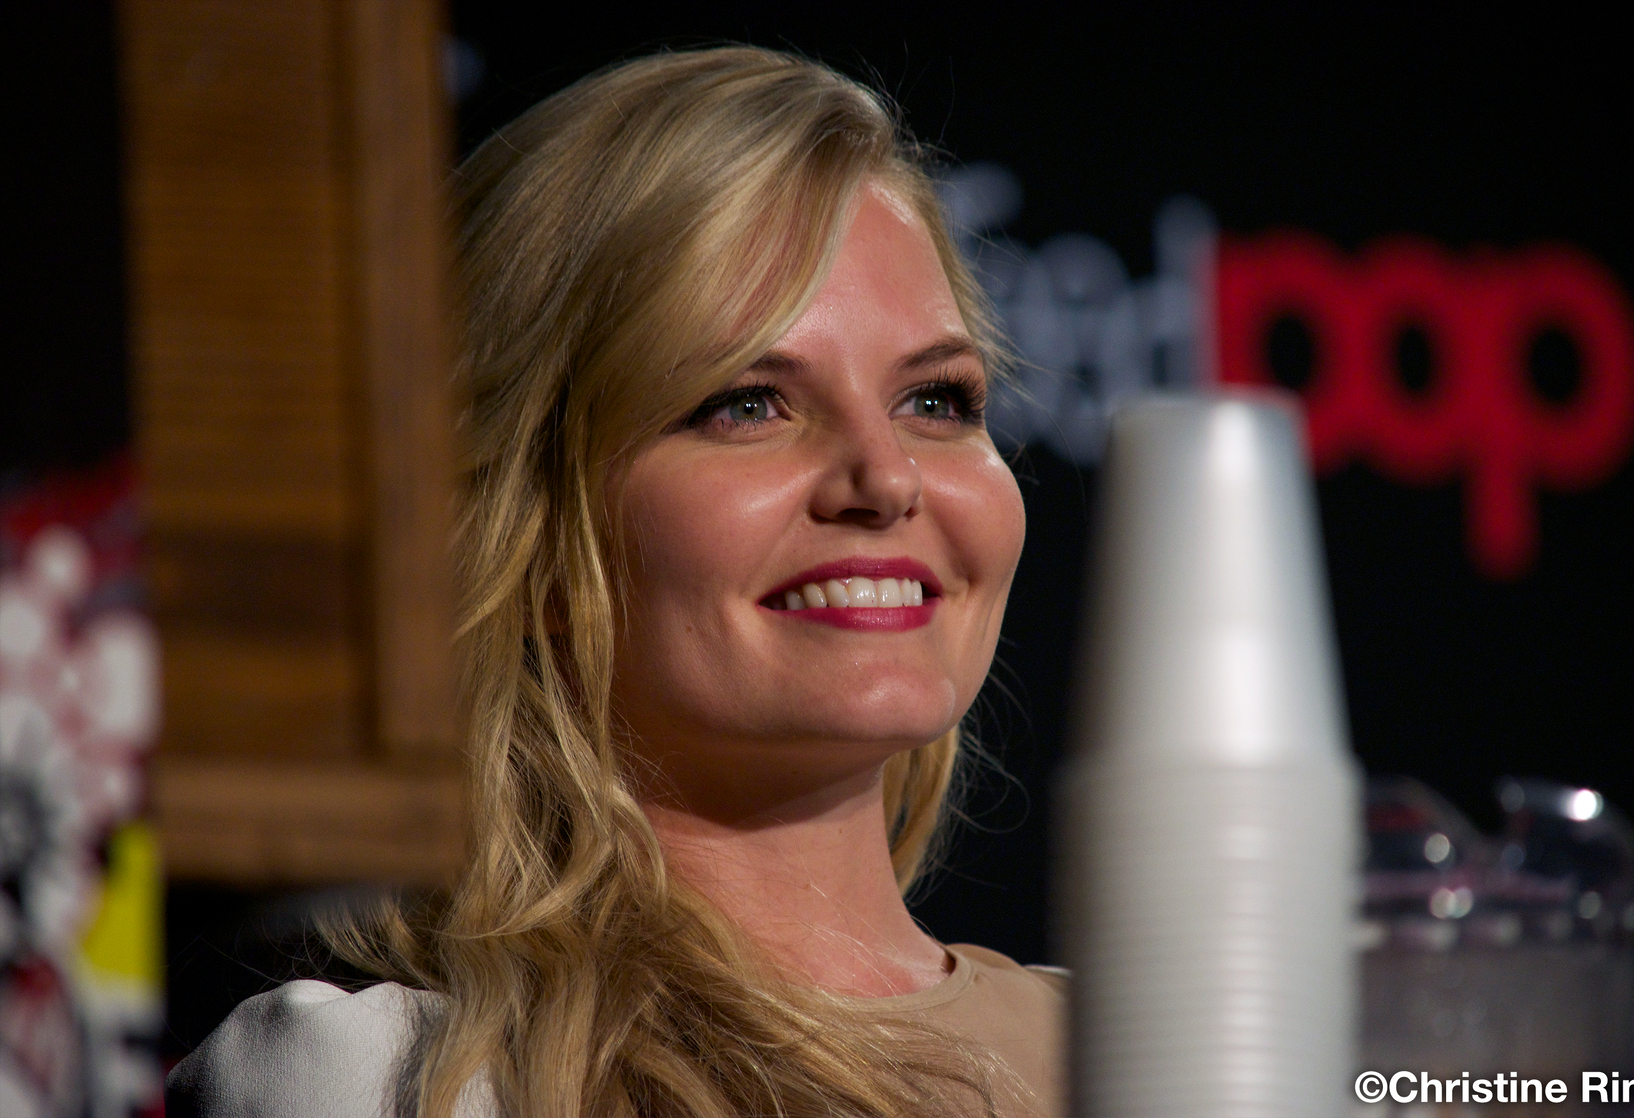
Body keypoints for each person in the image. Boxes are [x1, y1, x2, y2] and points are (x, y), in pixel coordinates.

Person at [168, 46, 1064, 1118]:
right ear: (528, 531)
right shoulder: (402, 1081)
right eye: (746, 404)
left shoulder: (1176, 1047)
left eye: (935, 400)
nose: (886, 478)